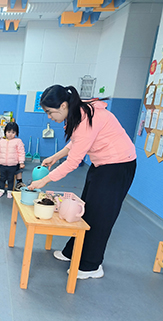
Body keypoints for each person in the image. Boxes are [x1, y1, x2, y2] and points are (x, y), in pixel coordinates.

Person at [29, 84, 137, 281]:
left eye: (49, 112)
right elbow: (77, 143)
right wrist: (55, 157)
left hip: (117, 166)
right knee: (85, 208)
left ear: (63, 106)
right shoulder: (79, 111)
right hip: (102, 164)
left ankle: (91, 265)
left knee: (100, 217)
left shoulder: (86, 118)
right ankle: (73, 252)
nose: (49, 117)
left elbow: (73, 162)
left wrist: (44, 180)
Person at [0, 120, 25, 198]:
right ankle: (1, 190)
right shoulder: (1, 142)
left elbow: (21, 152)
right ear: (5, 132)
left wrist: (21, 162)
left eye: (13, 132)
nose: (10, 134)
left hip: (13, 164)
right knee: (2, 178)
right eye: (9, 132)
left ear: (16, 133)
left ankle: (9, 191)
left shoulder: (18, 141)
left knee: (11, 179)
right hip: (3, 164)